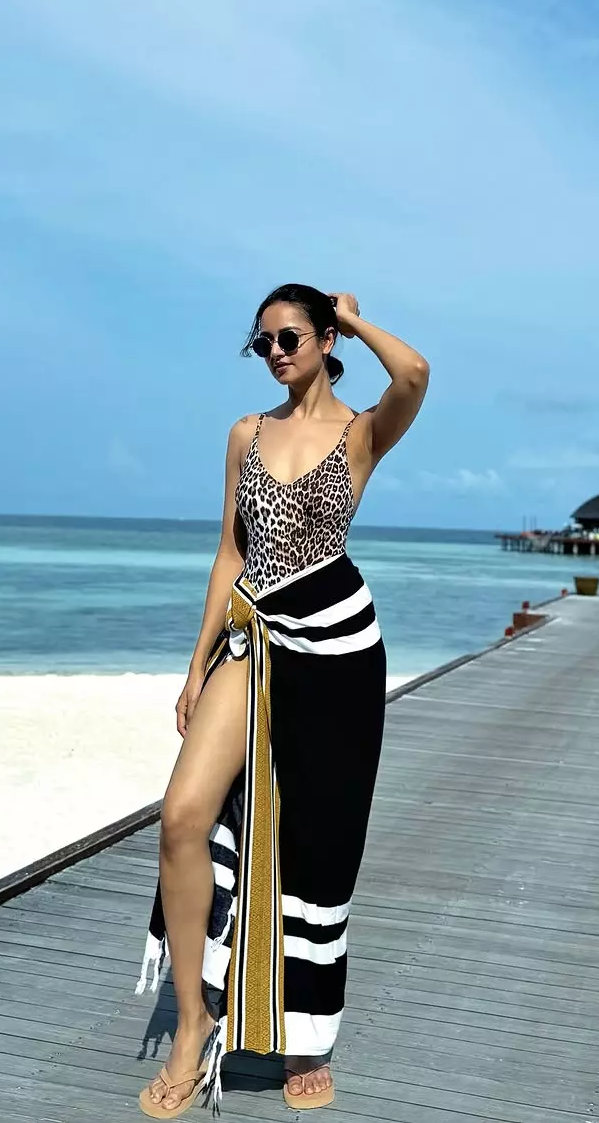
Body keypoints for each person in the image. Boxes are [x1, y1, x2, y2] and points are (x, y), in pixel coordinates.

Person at [134, 283, 429, 1115]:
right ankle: (194, 1026)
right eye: (261, 342)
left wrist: (353, 317)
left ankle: (306, 1038)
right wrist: (195, 666)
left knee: (319, 846)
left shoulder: (362, 432)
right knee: (183, 816)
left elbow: (414, 373)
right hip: (255, 634)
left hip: (339, 652)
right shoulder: (246, 434)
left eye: (289, 337)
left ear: (325, 339)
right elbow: (230, 554)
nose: (273, 353)